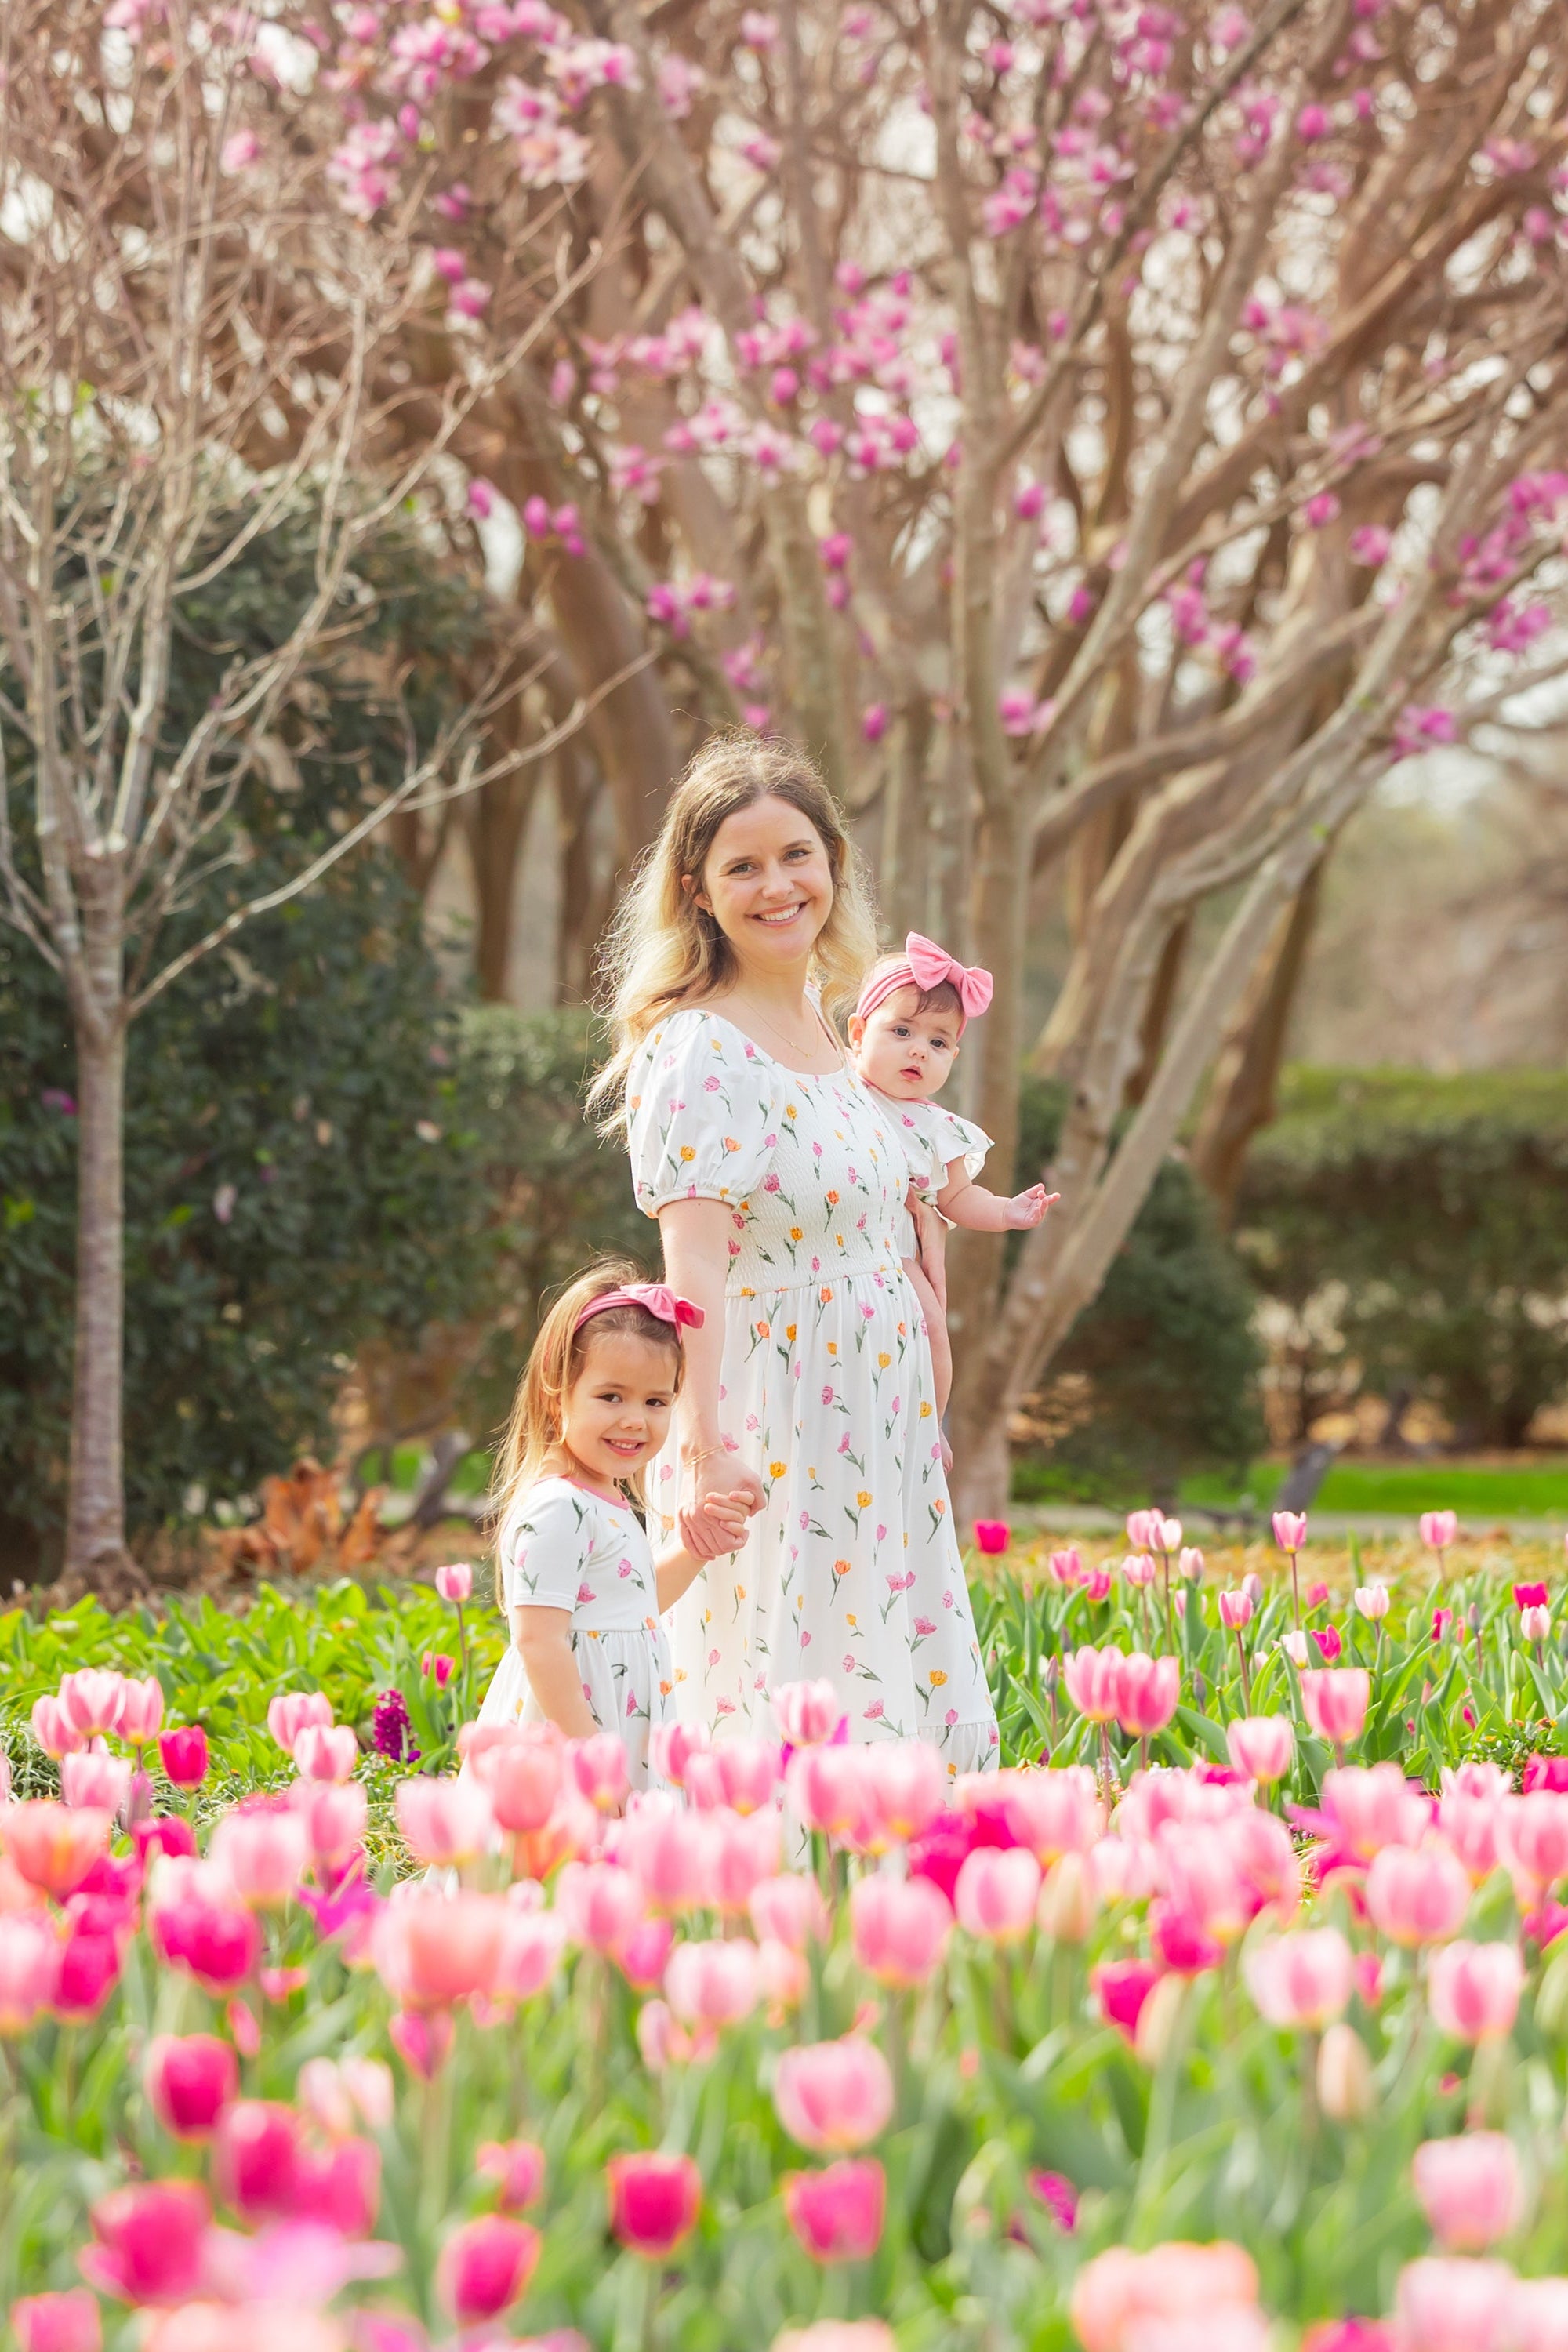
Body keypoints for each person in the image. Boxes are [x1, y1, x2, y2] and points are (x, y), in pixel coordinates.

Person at [591, 734, 1000, 1770]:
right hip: (776, 1405)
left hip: (875, 1409)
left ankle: (880, 1870)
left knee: (868, 1637)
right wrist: (702, 1440)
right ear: (699, 890)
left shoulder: (838, 1029)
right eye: (742, 865)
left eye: (797, 856)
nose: (778, 886)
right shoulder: (698, 1048)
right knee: (774, 1652)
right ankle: (767, 1877)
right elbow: (694, 1271)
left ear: (833, 862)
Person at [477, 1261, 751, 1791]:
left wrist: (695, 1548)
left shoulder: (606, 1498)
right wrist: (592, 1762)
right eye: (611, 1396)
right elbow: (538, 1642)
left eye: (656, 1402)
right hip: (575, 1740)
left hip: (615, 1727)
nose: (634, 1419)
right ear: (557, 1398)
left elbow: (635, 1606)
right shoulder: (557, 1507)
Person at [847, 935, 1057, 1419]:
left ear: (953, 1058)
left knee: (933, 1333)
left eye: (937, 1042)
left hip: (897, 1258)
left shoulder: (937, 1130)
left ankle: (928, 1427)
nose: (919, 1051)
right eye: (902, 1032)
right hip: (829, 1243)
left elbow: (958, 1197)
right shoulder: (836, 1088)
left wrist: (1006, 1211)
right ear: (857, 1033)